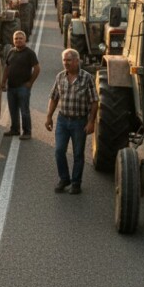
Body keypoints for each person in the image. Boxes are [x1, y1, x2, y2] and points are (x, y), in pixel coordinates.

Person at [45, 48, 97, 194]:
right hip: (62, 120)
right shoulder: (60, 77)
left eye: (68, 60)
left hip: (79, 122)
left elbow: (94, 101)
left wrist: (91, 122)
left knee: (78, 154)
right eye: (64, 60)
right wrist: (49, 116)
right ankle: (64, 178)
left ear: (76, 61)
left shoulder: (87, 78)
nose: (66, 63)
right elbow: (54, 97)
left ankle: (76, 183)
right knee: (59, 151)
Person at [2, 30, 40, 140]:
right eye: (16, 38)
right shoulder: (11, 52)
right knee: (13, 110)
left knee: (24, 111)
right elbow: (7, 68)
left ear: (25, 40)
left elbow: (37, 69)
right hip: (11, 87)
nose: (18, 40)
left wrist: (30, 83)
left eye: (20, 38)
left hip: (23, 87)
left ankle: (27, 132)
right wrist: (3, 82)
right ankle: (15, 130)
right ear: (13, 40)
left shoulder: (29, 53)